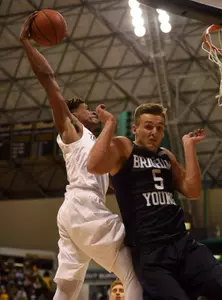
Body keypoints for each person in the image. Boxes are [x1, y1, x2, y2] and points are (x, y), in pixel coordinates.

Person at [19, 13, 142, 300]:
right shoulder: (72, 130)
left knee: (68, 287)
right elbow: (49, 81)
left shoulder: (95, 147)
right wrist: (27, 42)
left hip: (74, 212)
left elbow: (115, 183)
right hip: (84, 206)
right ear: (74, 116)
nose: (91, 113)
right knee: (134, 271)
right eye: (86, 109)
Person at [87, 103, 222, 300]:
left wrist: (189, 146)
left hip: (182, 243)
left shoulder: (165, 156)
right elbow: (93, 165)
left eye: (159, 128)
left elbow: (192, 191)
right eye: (148, 126)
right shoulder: (125, 148)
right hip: (150, 253)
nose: (154, 132)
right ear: (135, 129)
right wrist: (109, 123)